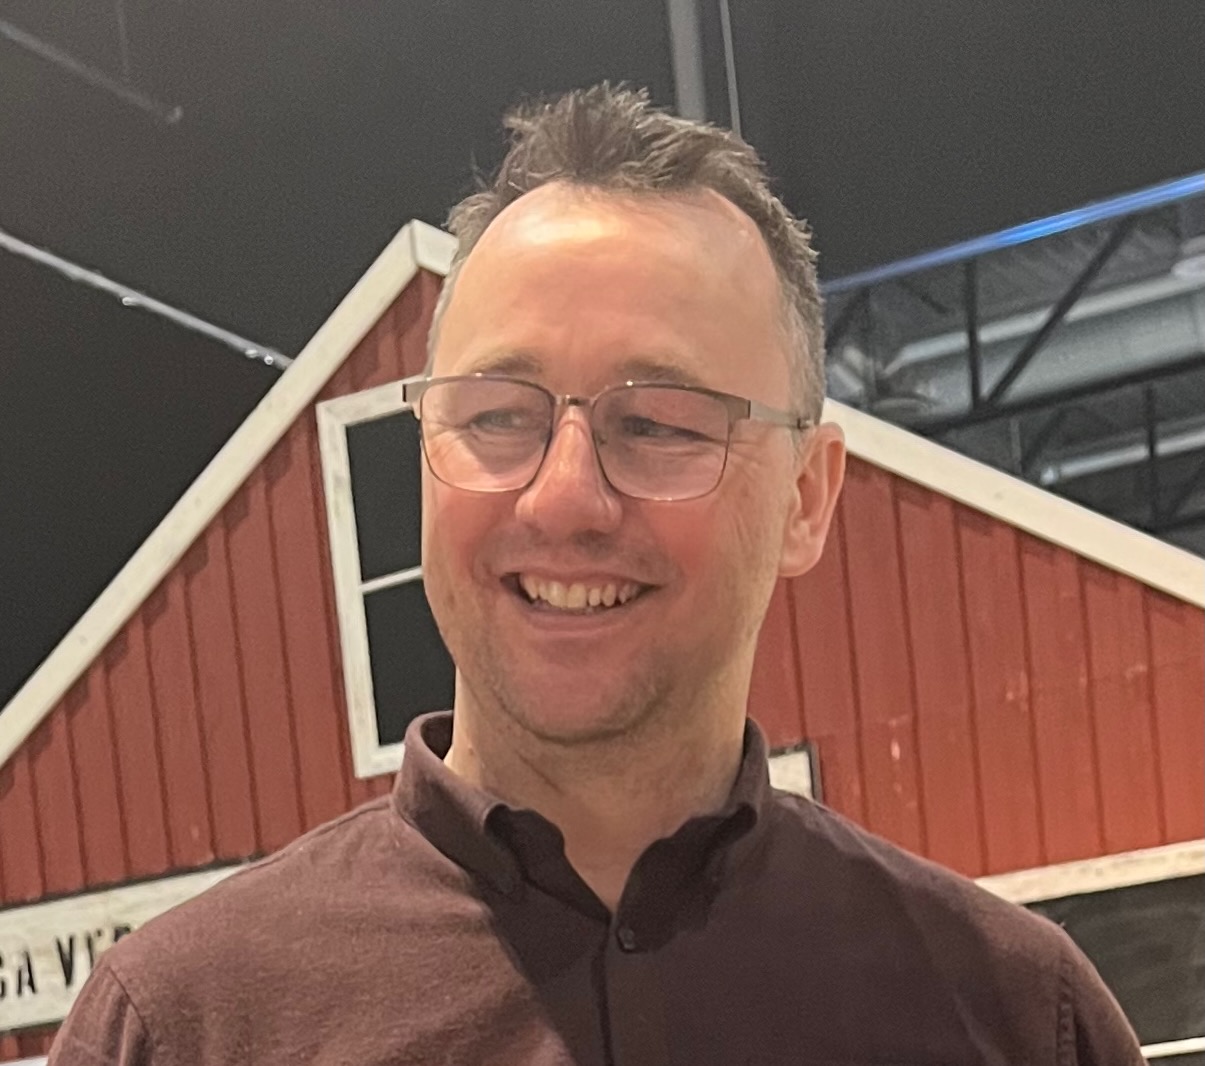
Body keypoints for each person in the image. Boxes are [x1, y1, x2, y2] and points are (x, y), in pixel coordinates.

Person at [50, 84, 1142, 1066]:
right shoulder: (182, 1028)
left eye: (659, 422)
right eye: (496, 416)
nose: (563, 498)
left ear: (807, 496)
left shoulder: (1017, 1019)